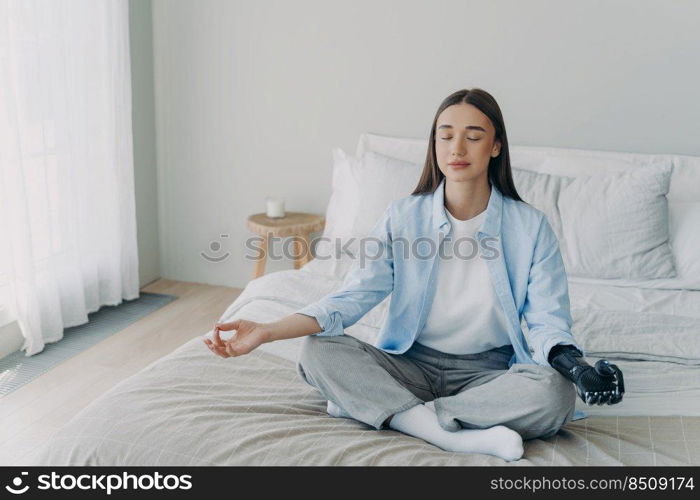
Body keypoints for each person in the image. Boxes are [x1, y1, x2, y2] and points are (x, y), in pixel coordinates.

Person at [204, 88, 625, 462]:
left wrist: (576, 367)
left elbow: (547, 319)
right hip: (410, 363)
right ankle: (450, 435)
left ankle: (386, 409)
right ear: (435, 145)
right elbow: (351, 298)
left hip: (491, 373)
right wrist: (266, 331)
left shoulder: (530, 227)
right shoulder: (402, 216)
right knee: (318, 352)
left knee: (555, 393)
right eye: (445, 136)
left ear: (495, 146)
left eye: (473, 136)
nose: (457, 147)